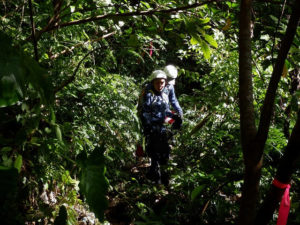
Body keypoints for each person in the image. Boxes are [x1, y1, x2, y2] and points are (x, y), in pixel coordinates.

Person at [141, 70, 181, 185]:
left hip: (163, 126)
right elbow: (145, 112)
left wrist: (177, 116)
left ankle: (164, 177)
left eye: (162, 83)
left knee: (165, 152)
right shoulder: (149, 94)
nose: (160, 85)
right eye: (157, 83)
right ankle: (156, 179)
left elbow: (168, 107)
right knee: (155, 153)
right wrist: (149, 127)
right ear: (153, 83)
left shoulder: (166, 91)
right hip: (153, 128)